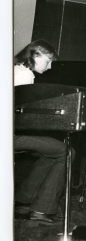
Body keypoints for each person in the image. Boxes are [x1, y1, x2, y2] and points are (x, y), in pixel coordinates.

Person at [14, 40, 71, 224]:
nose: (50, 66)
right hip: (10, 136)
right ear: (35, 55)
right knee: (66, 151)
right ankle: (41, 209)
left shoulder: (16, 70)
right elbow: (21, 116)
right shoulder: (24, 76)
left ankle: (23, 201)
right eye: (48, 61)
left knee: (51, 150)